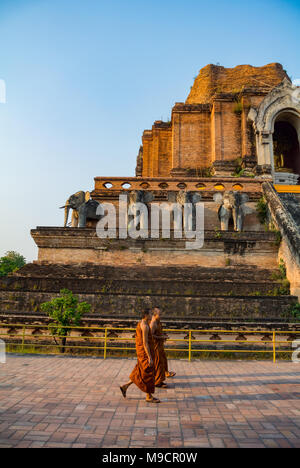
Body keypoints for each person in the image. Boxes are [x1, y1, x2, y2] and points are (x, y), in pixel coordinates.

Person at [120, 309, 160, 403]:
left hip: (142, 352)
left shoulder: (142, 323)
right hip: (145, 353)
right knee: (148, 372)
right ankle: (148, 396)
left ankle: (125, 386)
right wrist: (149, 357)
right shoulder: (145, 326)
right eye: (150, 314)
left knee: (139, 371)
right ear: (145, 315)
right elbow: (145, 343)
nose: (151, 315)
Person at [151, 306, 176, 380]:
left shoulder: (158, 322)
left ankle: (165, 372)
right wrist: (161, 337)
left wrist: (163, 335)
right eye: (160, 314)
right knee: (158, 362)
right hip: (155, 346)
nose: (161, 316)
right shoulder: (153, 323)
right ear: (155, 314)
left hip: (159, 345)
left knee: (164, 359)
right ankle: (158, 380)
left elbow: (158, 333)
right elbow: (151, 336)